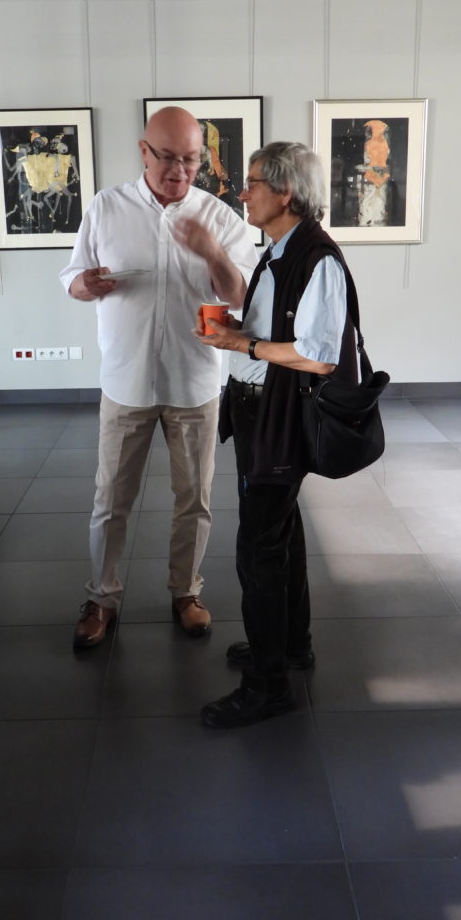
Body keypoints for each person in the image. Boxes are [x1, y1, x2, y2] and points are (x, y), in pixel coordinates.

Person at [59, 106, 257, 649]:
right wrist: (84, 285)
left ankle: (186, 592)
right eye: (168, 158)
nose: (180, 171)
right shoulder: (107, 206)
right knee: (110, 500)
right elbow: (72, 276)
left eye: (191, 160)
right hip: (125, 380)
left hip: (194, 382)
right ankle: (101, 597)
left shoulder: (219, 216)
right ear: (143, 151)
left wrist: (211, 251)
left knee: (194, 499)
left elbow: (241, 296)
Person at [194, 141, 355, 728]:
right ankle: (291, 645)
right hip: (260, 412)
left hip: (279, 417)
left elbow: (319, 356)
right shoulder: (280, 251)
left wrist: (243, 343)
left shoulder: (317, 259)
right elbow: (276, 330)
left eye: (254, 182)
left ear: (285, 192)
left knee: (258, 548)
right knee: (281, 533)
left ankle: (268, 685)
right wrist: (239, 330)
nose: (243, 193)